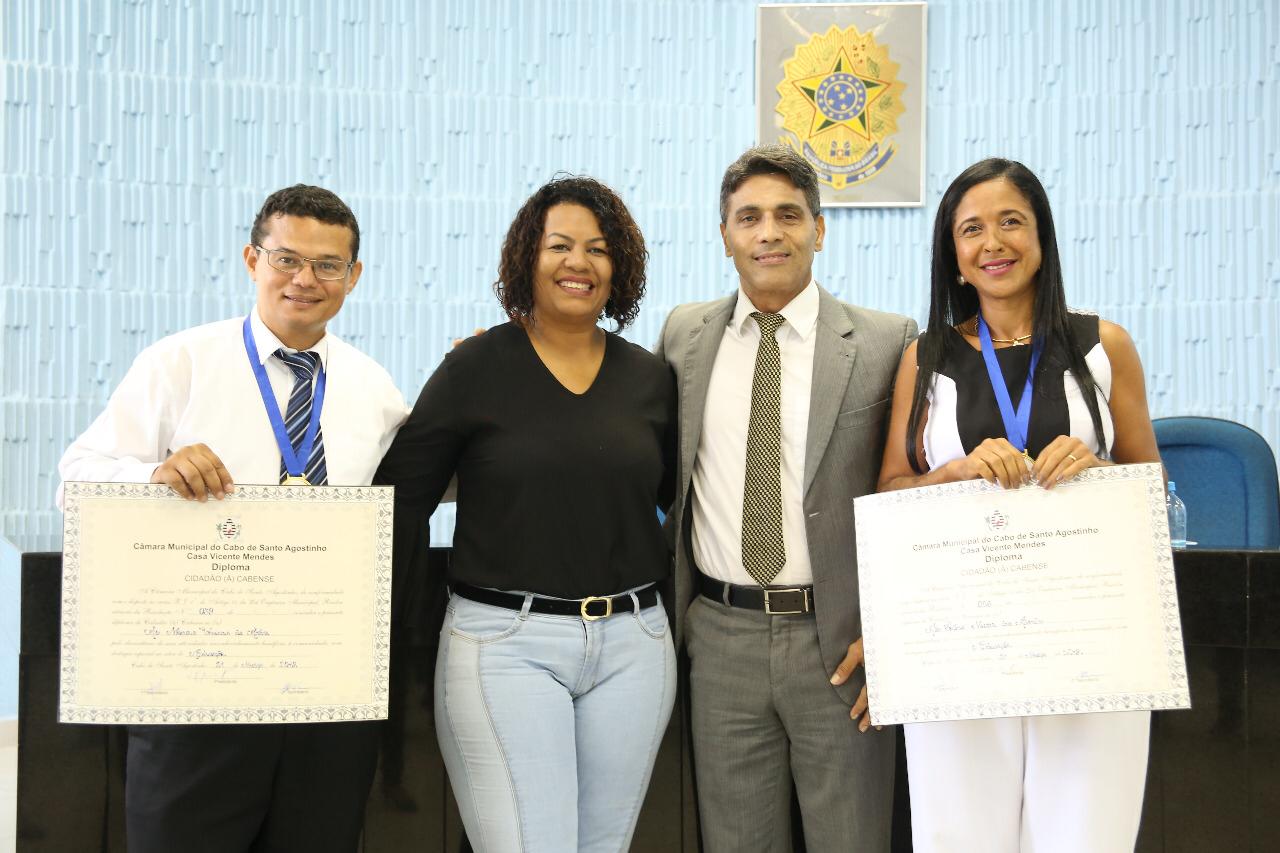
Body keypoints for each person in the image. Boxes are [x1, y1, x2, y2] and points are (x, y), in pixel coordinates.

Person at [57, 185, 408, 853]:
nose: (305, 279)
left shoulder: (374, 388)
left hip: (324, 694)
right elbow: (76, 478)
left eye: (328, 264)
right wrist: (154, 476)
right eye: (286, 259)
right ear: (253, 260)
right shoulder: (180, 363)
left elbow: (430, 482)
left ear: (354, 275)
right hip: (197, 691)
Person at [374, 175, 677, 853]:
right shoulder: (473, 367)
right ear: (526, 258)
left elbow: (678, 499)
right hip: (504, 643)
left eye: (598, 249)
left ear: (619, 268)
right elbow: (399, 500)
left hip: (636, 644)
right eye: (559, 245)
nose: (579, 262)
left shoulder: (649, 377)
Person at [876, 158, 1161, 852]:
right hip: (958, 640)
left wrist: (1100, 472)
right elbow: (888, 494)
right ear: (954, 256)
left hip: (1089, 637)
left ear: (1041, 237)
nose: (993, 242)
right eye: (971, 229)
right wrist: (951, 474)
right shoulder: (925, 357)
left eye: (1011, 222)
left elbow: (1152, 489)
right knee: (958, 837)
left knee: (1085, 836)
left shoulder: (1104, 346)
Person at [654, 145, 917, 852]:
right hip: (719, 637)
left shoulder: (887, 341)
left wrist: (896, 632)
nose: (768, 232)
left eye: (788, 215)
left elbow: (909, 497)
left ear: (819, 229)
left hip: (841, 645)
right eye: (749, 217)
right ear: (725, 235)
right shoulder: (682, 337)